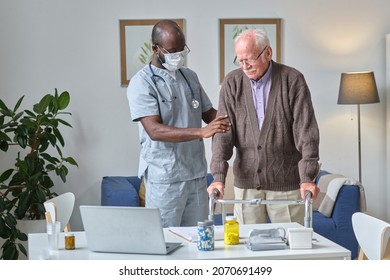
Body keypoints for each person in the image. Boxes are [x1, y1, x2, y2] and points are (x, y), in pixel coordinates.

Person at [207, 28, 320, 225]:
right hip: (246, 185)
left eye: (249, 59)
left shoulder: (292, 80)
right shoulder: (232, 83)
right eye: (240, 60)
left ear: (267, 53)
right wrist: (218, 176)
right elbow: (223, 133)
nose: (245, 66)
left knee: (291, 247)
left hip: (286, 183)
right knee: (244, 250)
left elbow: (306, 132)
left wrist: (307, 178)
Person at [127, 20, 230, 227]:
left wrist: (239, 119)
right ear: (155, 49)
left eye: (182, 50)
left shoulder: (189, 76)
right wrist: (202, 132)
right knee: (166, 240)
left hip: (195, 175)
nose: (179, 56)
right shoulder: (142, 82)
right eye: (173, 51)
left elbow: (209, 114)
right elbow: (154, 130)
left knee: (200, 238)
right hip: (165, 178)